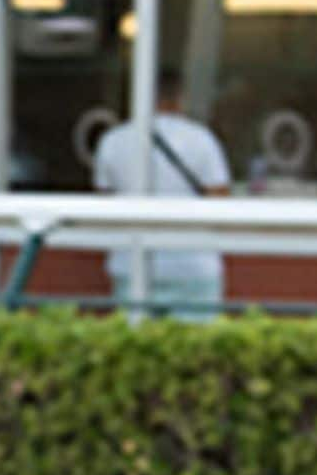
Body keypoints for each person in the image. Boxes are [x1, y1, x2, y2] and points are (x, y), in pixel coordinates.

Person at [92, 72, 231, 320]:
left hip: (130, 261)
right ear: (180, 98)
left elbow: (105, 199)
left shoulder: (113, 141)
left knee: (134, 349)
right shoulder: (202, 140)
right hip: (192, 263)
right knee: (196, 351)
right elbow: (219, 200)